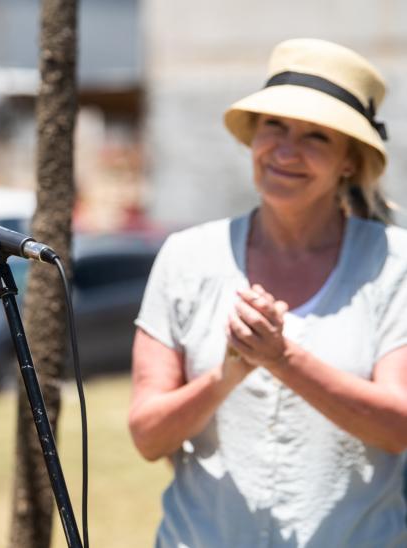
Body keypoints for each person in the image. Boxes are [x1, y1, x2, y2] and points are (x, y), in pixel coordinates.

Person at [128, 38, 407, 547]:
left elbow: (399, 427)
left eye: (316, 137)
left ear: (349, 160)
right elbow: (148, 436)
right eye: (274, 126)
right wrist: (227, 374)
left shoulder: (394, 263)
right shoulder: (186, 257)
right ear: (253, 137)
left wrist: (282, 360)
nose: (286, 150)